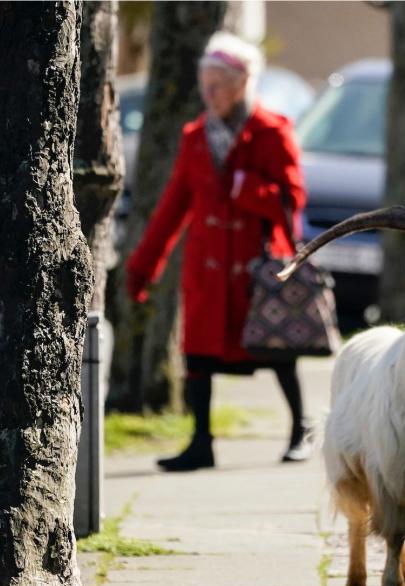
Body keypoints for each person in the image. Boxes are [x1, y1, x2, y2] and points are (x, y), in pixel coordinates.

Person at [126, 32, 312, 471]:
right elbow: (173, 206)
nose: (208, 94)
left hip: (256, 269)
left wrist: (250, 190)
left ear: (243, 81)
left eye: (218, 84)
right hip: (208, 269)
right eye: (205, 84)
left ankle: (300, 429)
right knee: (199, 358)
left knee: (277, 351)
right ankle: (201, 442)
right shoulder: (195, 137)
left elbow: (292, 202)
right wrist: (142, 266)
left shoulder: (271, 131)